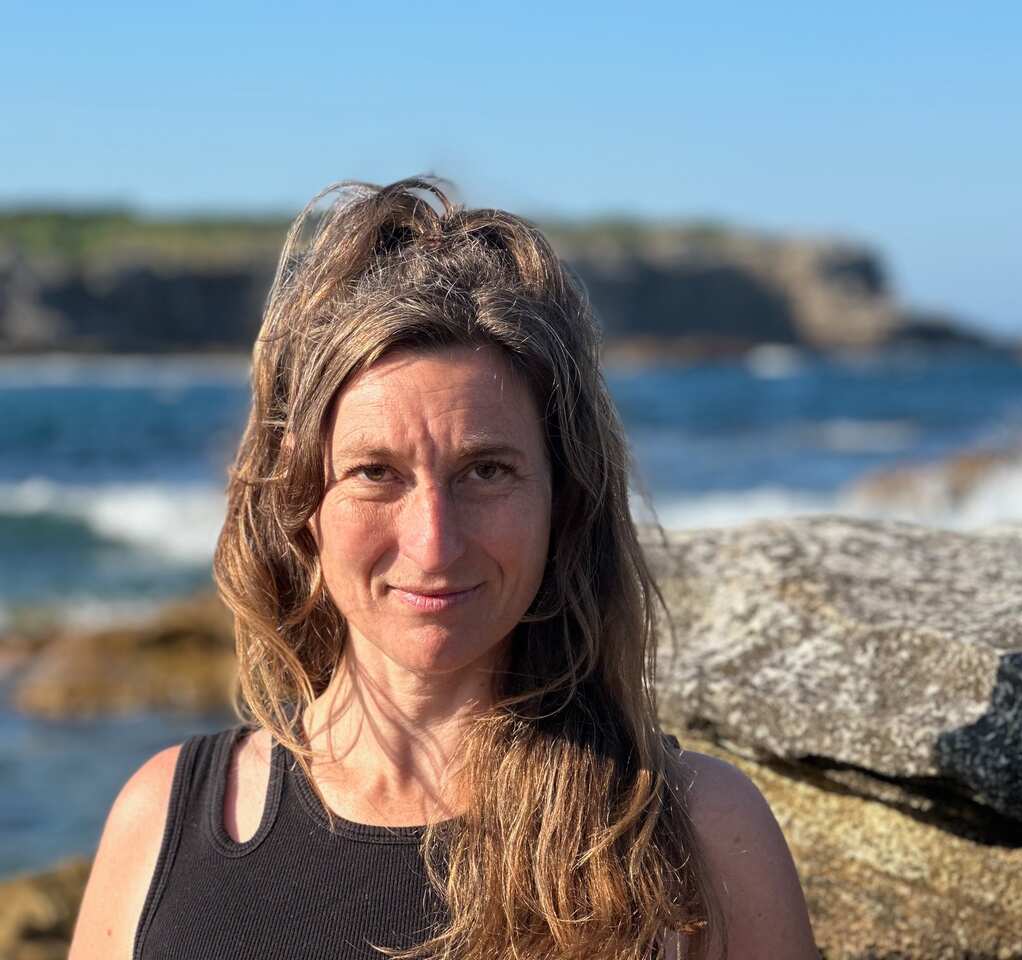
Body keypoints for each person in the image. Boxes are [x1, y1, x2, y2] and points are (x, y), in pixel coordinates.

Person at [67, 177, 818, 960]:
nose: (433, 543)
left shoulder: (697, 833)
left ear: (564, 501)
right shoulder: (163, 823)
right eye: (374, 473)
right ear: (298, 503)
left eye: (486, 471)